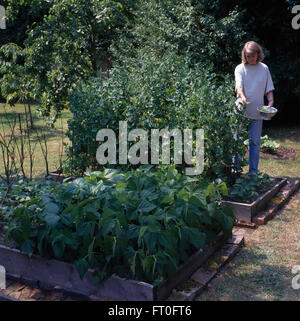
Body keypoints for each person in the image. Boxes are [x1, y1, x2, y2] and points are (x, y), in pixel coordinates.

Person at [234, 41, 275, 175]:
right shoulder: (240, 68)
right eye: (247, 56)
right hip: (241, 110)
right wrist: (243, 97)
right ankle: (235, 170)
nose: (250, 59)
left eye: (252, 56)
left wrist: (270, 100)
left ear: (258, 54)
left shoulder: (264, 68)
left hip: (257, 112)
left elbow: (268, 88)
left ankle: (253, 172)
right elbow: (239, 87)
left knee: (255, 143)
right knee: (237, 141)